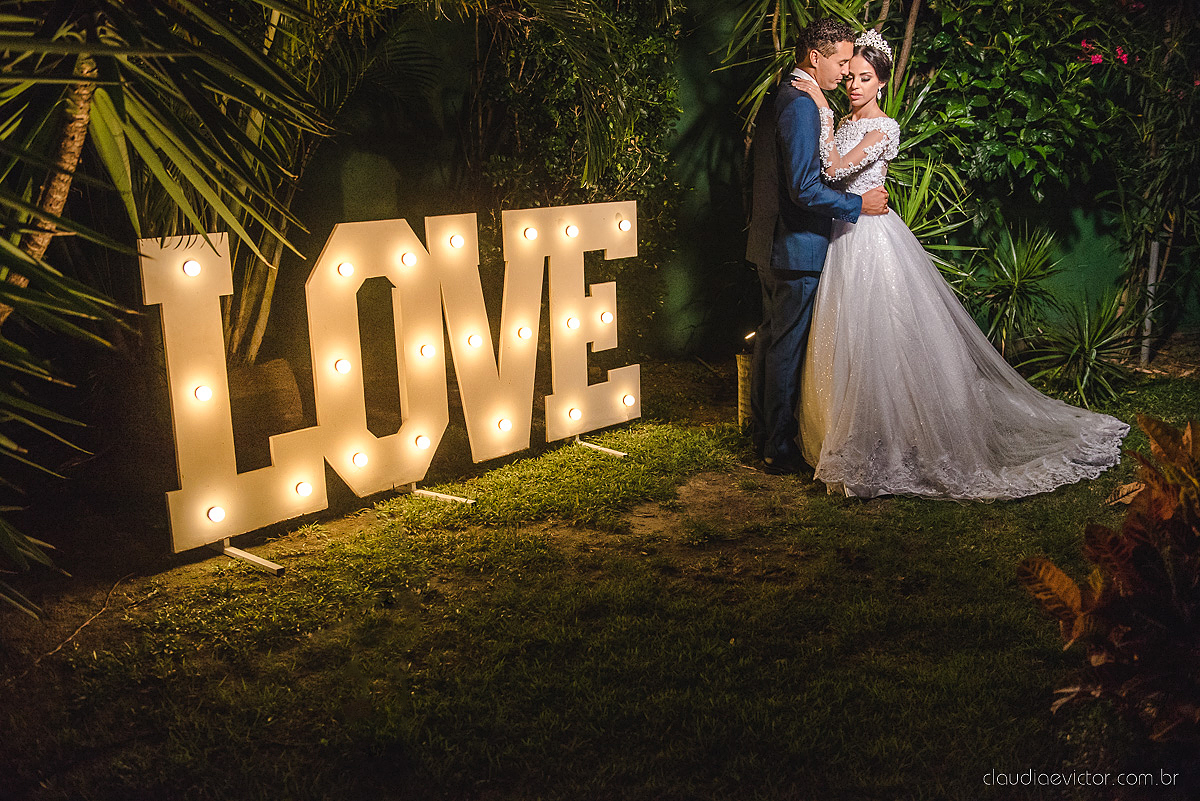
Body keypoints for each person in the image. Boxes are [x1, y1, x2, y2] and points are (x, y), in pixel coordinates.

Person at [793, 29, 1129, 499]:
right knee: (847, 336)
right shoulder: (844, 121)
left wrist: (820, 109)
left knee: (886, 335)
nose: (854, 85)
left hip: (873, 240)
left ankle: (902, 440)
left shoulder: (883, 128)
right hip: (842, 237)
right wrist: (829, 117)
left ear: (882, 84)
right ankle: (856, 437)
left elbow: (830, 171)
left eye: (865, 79)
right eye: (850, 77)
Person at [746, 19, 891, 475]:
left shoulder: (785, 95)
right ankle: (778, 446)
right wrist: (857, 204)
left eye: (855, 66)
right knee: (785, 344)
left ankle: (761, 434)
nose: (846, 72)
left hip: (770, 241)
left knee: (773, 339)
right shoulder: (803, 106)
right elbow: (805, 188)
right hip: (795, 245)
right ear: (816, 57)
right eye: (842, 61)